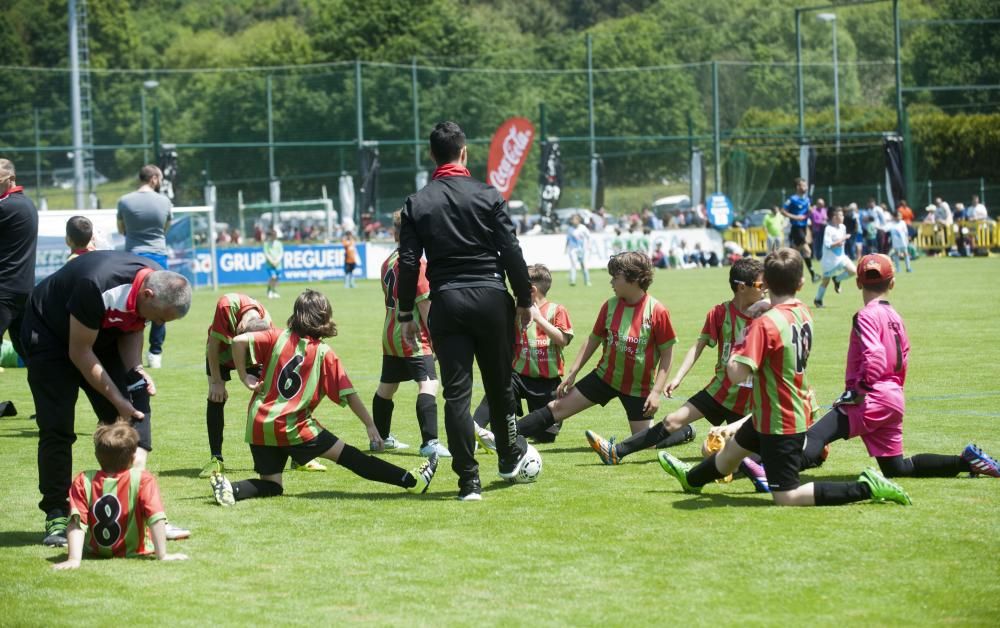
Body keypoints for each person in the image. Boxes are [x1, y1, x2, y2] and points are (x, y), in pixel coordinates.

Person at [658, 248, 913, 507]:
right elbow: (784, 307)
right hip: (776, 409)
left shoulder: (764, 326)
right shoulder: (802, 311)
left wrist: (741, 341)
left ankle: (866, 488)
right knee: (729, 456)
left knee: (786, 496)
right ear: (801, 284)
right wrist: (765, 306)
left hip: (779, 418)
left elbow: (736, 375)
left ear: (765, 283)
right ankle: (691, 478)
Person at [396, 120, 534, 501]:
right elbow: (511, 251)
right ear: (464, 152)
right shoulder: (488, 194)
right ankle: (508, 460)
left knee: (456, 395)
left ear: (431, 155)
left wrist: (405, 313)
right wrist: (524, 299)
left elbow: (409, 263)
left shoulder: (417, 202)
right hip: (491, 297)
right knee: (500, 385)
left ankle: (468, 482)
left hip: (447, 302)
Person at [21, 251, 192, 546]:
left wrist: (135, 369)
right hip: (49, 336)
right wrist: (118, 399)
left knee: (124, 421)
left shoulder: (151, 283)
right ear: (148, 294)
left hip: (98, 334)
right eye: (161, 318)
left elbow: (134, 326)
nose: (159, 324)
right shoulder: (97, 285)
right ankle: (57, 516)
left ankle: (135, 509)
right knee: (57, 428)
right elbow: (79, 352)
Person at [208, 290, 439, 505]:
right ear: (324, 317)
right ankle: (413, 481)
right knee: (352, 458)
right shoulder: (323, 353)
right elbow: (349, 395)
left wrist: (244, 376)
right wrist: (369, 424)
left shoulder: (275, 336)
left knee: (272, 486)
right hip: (294, 426)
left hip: (259, 425)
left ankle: (231, 488)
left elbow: (238, 341)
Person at [797, 253, 999, 479]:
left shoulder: (865, 315)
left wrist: (859, 391)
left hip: (869, 398)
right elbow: (903, 358)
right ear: (892, 282)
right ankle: (967, 462)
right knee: (897, 468)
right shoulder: (895, 317)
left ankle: (774, 474)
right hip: (892, 398)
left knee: (815, 436)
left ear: (857, 282)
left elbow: (875, 357)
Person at [582, 257, 768, 491]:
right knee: (672, 420)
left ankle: (733, 467)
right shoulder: (720, 313)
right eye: (761, 285)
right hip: (718, 390)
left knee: (734, 448)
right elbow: (698, 347)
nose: (766, 290)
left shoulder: (767, 315)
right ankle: (615, 452)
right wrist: (678, 377)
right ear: (742, 286)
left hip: (751, 400)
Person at [485, 252, 676, 447]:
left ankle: (684, 430)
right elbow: (593, 340)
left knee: (648, 443)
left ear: (633, 279)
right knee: (557, 408)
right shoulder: (610, 306)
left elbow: (667, 354)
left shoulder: (657, 311)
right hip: (604, 378)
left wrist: (656, 392)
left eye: (615, 278)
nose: (611, 282)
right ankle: (500, 438)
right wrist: (573, 373)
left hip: (638, 387)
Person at [53, 422, 188, 570]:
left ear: (97, 455)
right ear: (133, 456)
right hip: (135, 551)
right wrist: (162, 555)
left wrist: (73, 559)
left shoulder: (83, 480)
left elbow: (76, 522)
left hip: (96, 551)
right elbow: (155, 517)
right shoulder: (143, 480)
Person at [372, 210, 449, 458]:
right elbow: (425, 305)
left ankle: (380, 439)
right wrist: (437, 340)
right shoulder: (418, 264)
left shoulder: (387, 261)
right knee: (428, 383)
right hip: (412, 334)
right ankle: (430, 443)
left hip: (389, 331)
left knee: (387, 386)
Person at [472, 264, 574, 444]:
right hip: (518, 375)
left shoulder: (557, 310)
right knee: (498, 389)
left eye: (517, 288)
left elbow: (562, 340)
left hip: (547, 381)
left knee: (545, 437)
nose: (514, 292)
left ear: (532, 290)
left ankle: (503, 434)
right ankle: (472, 430)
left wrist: (538, 318)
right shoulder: (516, 310)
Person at [117, 165, 173, 369]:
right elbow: (166, 228)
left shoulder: (124, 201)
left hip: (132, 258)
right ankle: (155, 352)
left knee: (132, 305)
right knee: (162, 303)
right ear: (154, 179)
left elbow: (121, 229)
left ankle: (130, 353)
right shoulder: (165, 201)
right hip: (158, 256)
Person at [0, 158, 37, 414]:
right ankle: (48, 405)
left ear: (10, 179)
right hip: (22, 291)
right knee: (31, 354)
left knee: (32, 355)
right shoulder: (25, 204)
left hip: (3, 291)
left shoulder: (7, 207)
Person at [813, 207, 857, 308]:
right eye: (840, 215)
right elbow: (828, 245)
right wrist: (842, 239)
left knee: (853, 271)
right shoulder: (828, 229)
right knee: (826, 281)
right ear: (834, 217)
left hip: (841, 257)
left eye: (842, 215)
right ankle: (818, 300)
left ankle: (837, 279)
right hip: (830, 261)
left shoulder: (842, 227)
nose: (843, 217)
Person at [780, 177, 819, 282]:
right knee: (807, 250)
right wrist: (795, 217)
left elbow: (807, 213)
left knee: (794, 254)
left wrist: (811, 211)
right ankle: (813, 275)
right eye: (803, 185)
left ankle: (786, 274)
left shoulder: (807, 200)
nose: (805, 187)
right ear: (798, 187)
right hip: (796, 228)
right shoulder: (792, 199)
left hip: (804, 228)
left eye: (806, 185)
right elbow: (783, 211)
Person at [565, 214, 591, 286]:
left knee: (584, 265)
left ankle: (587, 281)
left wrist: (588, 246)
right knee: (573, 264)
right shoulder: (570, 229)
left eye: (575, 219)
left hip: (582, 250)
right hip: (573, 249)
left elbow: (588, 237)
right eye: (572, 219)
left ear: (578, 220)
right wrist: (566, 248)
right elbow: (568, 239)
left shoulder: (583, 228)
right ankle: (572, 281)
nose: (573, 221)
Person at [263, 228, 283, 299]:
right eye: (273, 235)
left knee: (277, 278)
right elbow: (266, 253)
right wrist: (272, 261)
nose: (274, 237)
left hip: (278, 265)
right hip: (270, 264)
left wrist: (277, 261)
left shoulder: (279, 243)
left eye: (275, 235)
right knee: (273, 277)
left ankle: (274, 291)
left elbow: (281, 253)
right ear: (270, 236)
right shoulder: (266, 244)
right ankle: (269, 291)